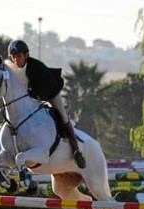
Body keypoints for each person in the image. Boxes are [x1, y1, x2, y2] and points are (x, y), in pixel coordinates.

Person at [7, 40, 86, 169]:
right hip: (34, 96)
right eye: (13, 57)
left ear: (26, 55)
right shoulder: (15, 69)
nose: (16, 60)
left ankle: (77, 151)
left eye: (19, 56)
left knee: (63, 116)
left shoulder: (35, 67)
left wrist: (35, 98)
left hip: (50, 93)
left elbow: (44, 89)